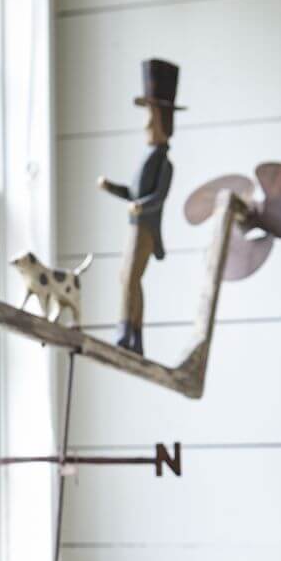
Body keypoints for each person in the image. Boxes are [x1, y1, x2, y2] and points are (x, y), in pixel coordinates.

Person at [97, 58, 185, 356]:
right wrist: (111, 187)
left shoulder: (165, 164)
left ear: (162, 123)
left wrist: (139, 208)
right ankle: (132, 333)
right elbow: (134, 193)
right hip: (135, 226)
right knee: (127, 277)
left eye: (151, 118)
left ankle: (127, 329)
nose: (147, 125)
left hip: (146, 230)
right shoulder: (146, 159)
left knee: (130, 277)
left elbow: (157, 197)